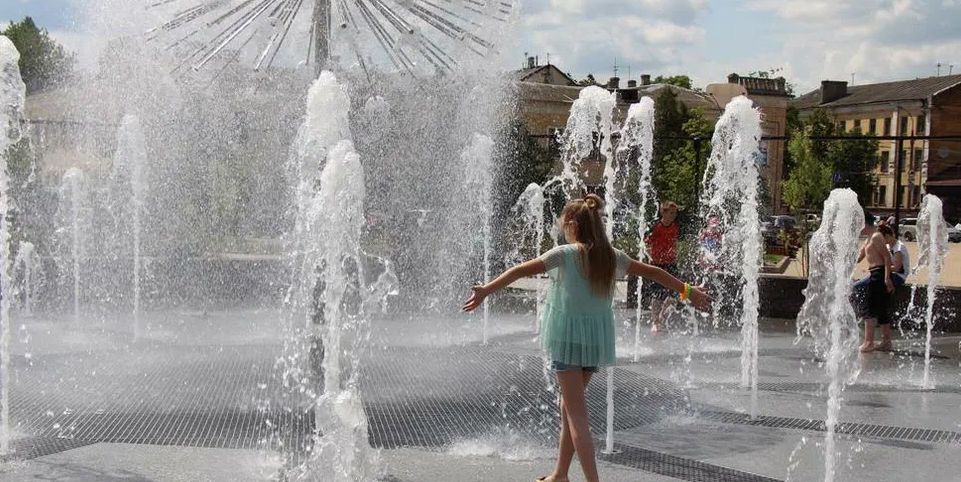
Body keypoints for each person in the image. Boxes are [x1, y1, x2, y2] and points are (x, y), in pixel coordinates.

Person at [462, 194, 710, 482]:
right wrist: (689, 291)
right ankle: (560, 475)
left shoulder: (565, 254)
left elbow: (520, 270)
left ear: (571, 225)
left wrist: (485, 291)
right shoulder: (612, 256)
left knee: (577, 416)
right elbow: (654, 273)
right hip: (594, 342)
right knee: (568, 406)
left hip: (567, 340)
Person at [856, 212, 895, 353]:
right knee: (880, 308)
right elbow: (859, 258)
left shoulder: (877, 236)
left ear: (865, 223)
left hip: (879, 274)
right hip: (874, 273)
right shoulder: (868, 239)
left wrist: (887, 278)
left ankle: (869, 342)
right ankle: (886, 341)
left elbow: (887, 258)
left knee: (869, 307)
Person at [645, 201, 681, 333]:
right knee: (657, 294)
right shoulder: (656, 227)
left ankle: (661, 315)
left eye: (675, 213)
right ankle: (655, 322)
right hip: (658, 265)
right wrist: (651, 259)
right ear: (663, 213)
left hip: (671, 263)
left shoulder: (675, 227)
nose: (674, 215)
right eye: (671, 213)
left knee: (675, 293)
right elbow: (646, 245)